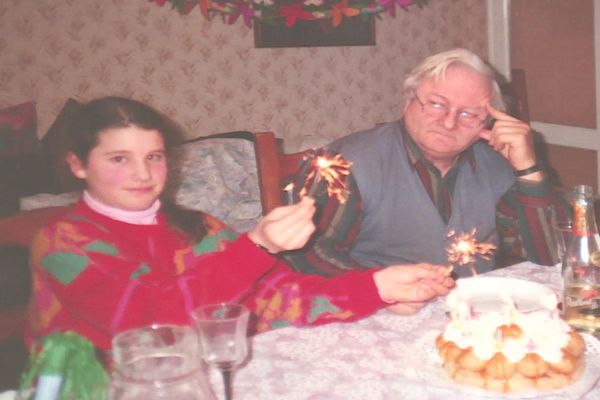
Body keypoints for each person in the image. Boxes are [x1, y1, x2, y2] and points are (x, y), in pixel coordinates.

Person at [25, 96, 454, 352]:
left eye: (153, 157)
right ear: (78, 165)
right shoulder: (62, 243)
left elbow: (278, 297)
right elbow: (152, 322)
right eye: (119, 159)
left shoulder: (197, 228)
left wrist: (377, 288)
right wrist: (255, 246)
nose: (142, 174)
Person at [285, 48, 566, 285]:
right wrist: (380, 288)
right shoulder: (343, 163)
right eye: (436, 104)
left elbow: (550, 257)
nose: (448, 122)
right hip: (377, 316)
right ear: (408, 102)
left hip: (474, 317)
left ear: (488, 123)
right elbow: (308, 255)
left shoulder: (497, 166)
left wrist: (527, 168)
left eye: (469, 114)